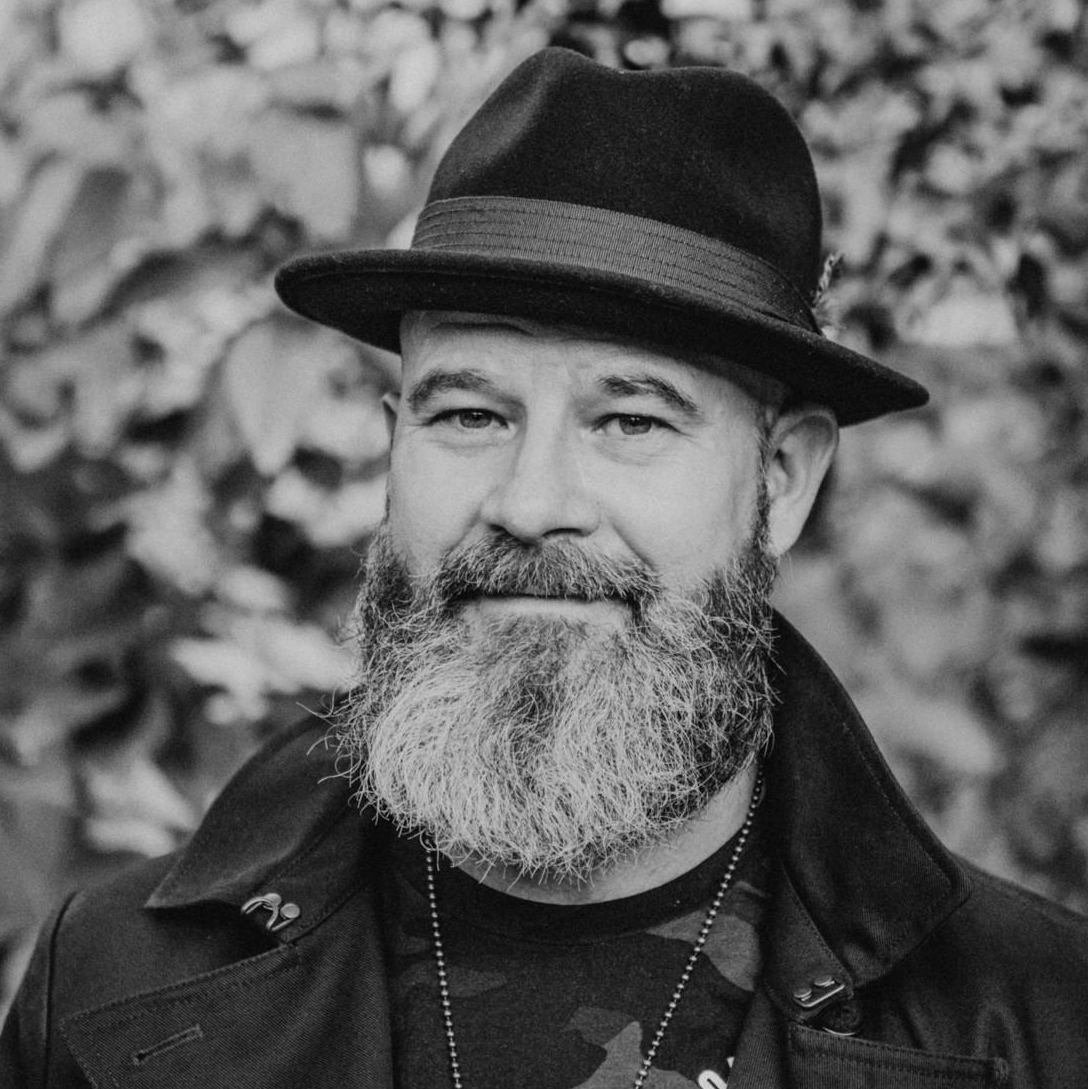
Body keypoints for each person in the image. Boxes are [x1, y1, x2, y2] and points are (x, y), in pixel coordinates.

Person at [2, 46, 1086, 1089]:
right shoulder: (108, 986)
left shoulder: (1036, 1020)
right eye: (469, 414)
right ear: (392, 448)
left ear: (783, 478)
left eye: (630, 420)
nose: (529, 504)